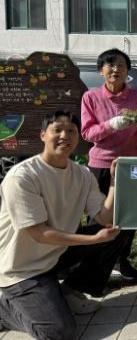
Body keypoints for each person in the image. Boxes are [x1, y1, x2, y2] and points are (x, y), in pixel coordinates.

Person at [0, 111, 129, 339]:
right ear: (42, 135)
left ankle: (70, 291)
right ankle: (4, 310)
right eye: (57, 130)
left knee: (118, 232)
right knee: (60, 332)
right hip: (22, 269)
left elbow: (104, 218)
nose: (64, 136)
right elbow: (39, 233)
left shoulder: (82, 174)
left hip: (56, 253)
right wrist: (92, 239)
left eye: (71, 131)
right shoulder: (22, 177)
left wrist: (114, 182)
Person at [81, 48, 137, 281]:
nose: (116, 70)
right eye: (110, 65)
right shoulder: (91, 97)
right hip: (101, 163)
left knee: (130, 214)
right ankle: (94, 262)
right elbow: (87, 133)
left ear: (127, 71)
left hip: (132, 164)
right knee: (98, 213)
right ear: (101, 70)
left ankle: (122, 258)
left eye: (121, 65)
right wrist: (111, 125)